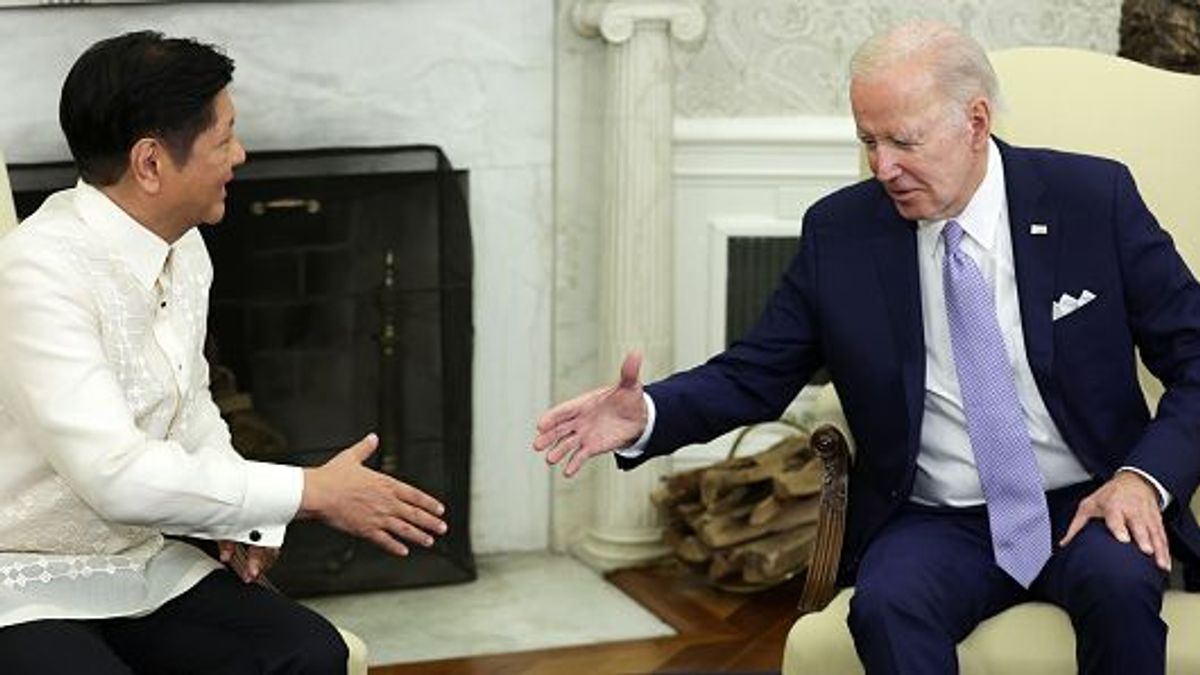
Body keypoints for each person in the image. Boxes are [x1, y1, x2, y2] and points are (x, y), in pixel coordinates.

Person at [534, 20, 1200, 675]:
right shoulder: (842, 233)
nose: (883, 168)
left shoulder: (1094, 199)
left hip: (1088, 497)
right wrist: (647, 414)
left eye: (902, 141)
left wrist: (1142, 480)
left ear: (975, 120)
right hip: (940, 517)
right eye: (868, 141)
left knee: (1118, 587)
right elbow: (755, 372)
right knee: (885, 605)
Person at [0, 31, 448, 674]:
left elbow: (193, 409)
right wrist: (309, 492)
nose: (239, 154)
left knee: (308, 654)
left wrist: (240, 522)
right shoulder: (37, 274)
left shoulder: (183, 248)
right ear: (151, 163)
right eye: (224, 138)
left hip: (145, 566)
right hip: (24, 580)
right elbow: (115, 477)